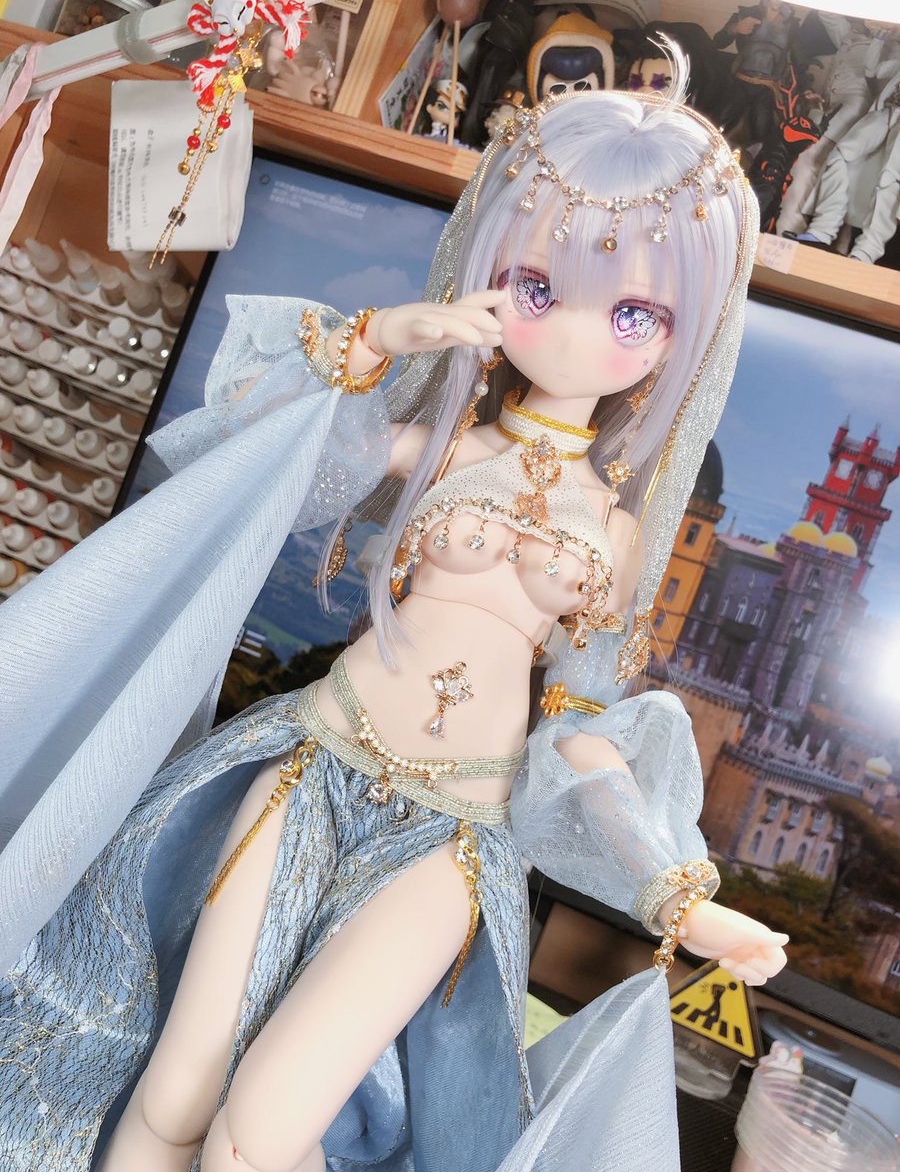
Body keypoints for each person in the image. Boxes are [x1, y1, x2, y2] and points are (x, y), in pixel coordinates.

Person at [0, 65, 787, 1172]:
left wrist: (674, 892)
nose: (574, 333)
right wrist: (380, 338)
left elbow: (580, 732)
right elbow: (269, 458)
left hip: (455, 833)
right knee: (176, 1092)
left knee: (262, 1131)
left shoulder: (616, 537)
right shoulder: (442, 450)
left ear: (679, 337)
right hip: (313, 762)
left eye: (633, 313)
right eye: (535, 285)